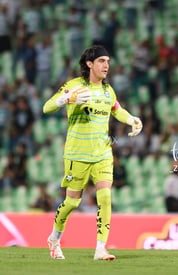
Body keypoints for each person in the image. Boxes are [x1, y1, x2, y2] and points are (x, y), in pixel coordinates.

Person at [43, 45, 143, 260]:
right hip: (77, 154)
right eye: (101, 61)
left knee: (105, 196)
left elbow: (117, 109)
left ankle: (100, 248)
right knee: (72, 202)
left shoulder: (108, 90)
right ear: (89, 64)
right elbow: (47, 107)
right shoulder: (74, 86)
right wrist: (66, 99)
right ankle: (54, 238)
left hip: (103, 153)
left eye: (108, 61)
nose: (106, 65)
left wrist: (131, 119)